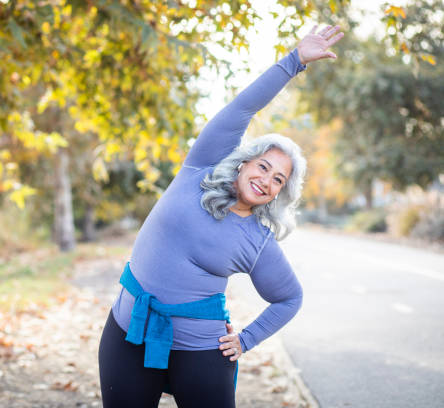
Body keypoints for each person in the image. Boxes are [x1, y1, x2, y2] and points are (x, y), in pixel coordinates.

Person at [98, 24, 344, 408]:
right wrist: (294, 61)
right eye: (263, 167)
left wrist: (246, 339)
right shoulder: (201, 168)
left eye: (278, 179)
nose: (266, 180)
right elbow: (244, 107)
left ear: (281, 193)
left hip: (201, 355)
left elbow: (289, 298)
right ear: (245, 162)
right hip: (128, 334)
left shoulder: (257, 239)